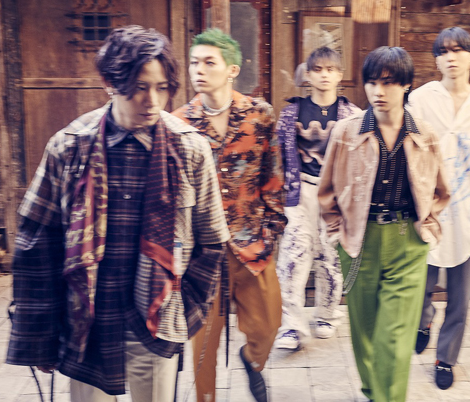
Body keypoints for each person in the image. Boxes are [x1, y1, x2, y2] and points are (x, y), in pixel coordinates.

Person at [6, 25, 230, 402]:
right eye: (140, 87)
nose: (152, 100)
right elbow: (36, 244)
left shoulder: (189, 149)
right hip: (87, 319)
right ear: (110, 82)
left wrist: (187, 307)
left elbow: (211, 241)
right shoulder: (69, 147)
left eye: (162, 88)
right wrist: (39, 335)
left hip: (156, 317)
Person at [318, 46, 450, 402]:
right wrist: (337, 234)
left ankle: (385, 397)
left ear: (406, 85)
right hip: (359, 241)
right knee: (365, 330)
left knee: (394, 334)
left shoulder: (424, 134)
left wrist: (428, 227)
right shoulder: (346, 132)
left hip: (408, 242)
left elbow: (441, 190)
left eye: (389, 83)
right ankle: (373, 391)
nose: (378, 91)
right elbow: (326, 192)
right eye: (372, 82)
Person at [173, 28, 286, 402]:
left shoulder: (260, 115)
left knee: (268, 325)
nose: (199, 70)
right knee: (202, 346)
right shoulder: (178, 123)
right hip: (202, 251)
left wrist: (272, 228)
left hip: (252, 242)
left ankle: (252, 361)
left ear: (232, 69)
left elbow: (272, 174)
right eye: (194, 62)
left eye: (209, 62)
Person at [407, 26, 470, 390]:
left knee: (460, 299)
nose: (451, 57)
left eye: (459, 50)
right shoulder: (420, 100)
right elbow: (408, 154)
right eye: (444, 51)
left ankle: (445, 359)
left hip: (468, 215)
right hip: (428, 211)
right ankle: (422, 320)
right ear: (436, 60)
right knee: (419, 286)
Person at [274, 47, 360, 350]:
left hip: (336, 195)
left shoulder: (353, 115)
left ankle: (327, 315)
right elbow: (278, 156)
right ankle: (291, 326)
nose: (324, 75)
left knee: (330, 256)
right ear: (308, 75)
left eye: (330, 69)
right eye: (318, 69)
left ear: (340, 75)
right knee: (292, 257)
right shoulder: (291, 113)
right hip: (300, 192)